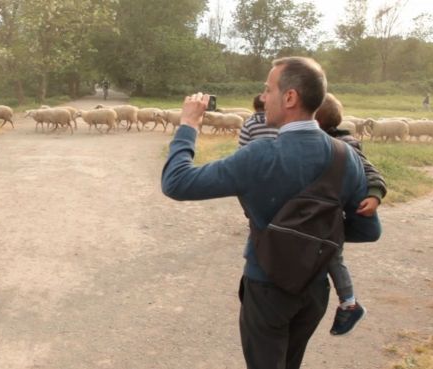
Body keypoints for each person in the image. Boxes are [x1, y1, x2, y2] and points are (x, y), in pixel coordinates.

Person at [161, 57, 381, 369]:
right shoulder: (347, 156)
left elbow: (176, 183)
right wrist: (314, 236)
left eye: (268, 89)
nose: (263, 98)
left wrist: (188, 126)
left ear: (290, 97)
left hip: (267, 288)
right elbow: (370, 231)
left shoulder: (260, 155)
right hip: (315, 291)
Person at [315, 93, 387, 335]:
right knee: (327, 250)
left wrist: (375, 193)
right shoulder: (315, 141)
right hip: (324, 213)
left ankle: (349, 303)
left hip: (335, 213)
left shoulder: (346, 145)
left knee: (332, 253)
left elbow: (369, 170)